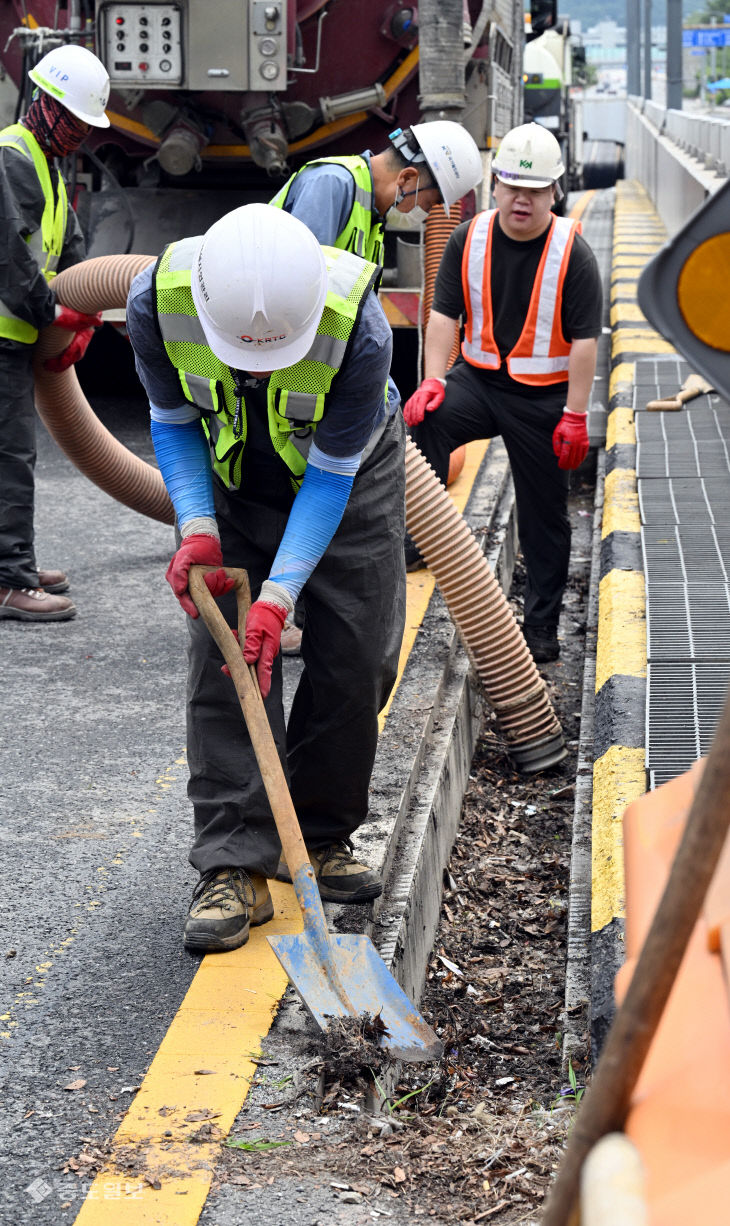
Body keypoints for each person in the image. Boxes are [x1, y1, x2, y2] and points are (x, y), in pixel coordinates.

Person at [126, 203, 406, 953]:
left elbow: (329, 475)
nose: (255, 368)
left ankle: (315, 834)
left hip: (348, 475)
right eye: (242, 354)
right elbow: (174, 422)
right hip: (231, 473)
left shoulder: (360, 327)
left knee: (358, 652)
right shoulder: (160, 302)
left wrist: (279, 596)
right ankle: (233, 863)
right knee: (226, 665)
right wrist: (198, 529)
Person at [269, 120, 483, 652]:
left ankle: (298, 610)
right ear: (409, 177)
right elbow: (295, 293)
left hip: (315, 380)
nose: (423, 212)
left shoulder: (366, 209)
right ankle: (276, 609)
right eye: (428, 199)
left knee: (328, 492)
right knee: (285, 493)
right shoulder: (331, 186)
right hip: (275, 374)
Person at [404, 122, 602, 663]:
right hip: (480, 380)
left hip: (543, 399)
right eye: (513, 185)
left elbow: (586, 342)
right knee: (423, 426)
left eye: (536, 190)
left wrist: (576, 415)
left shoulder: (572, 252)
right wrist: (433, 381)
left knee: (546, 516)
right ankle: (419, 536)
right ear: (495, 184)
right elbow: (443, 315)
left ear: (553, 193)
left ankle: (541, 628)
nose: (523, 199)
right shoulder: (471, 237)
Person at [0, 44, 109, 622]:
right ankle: (8, 579)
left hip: (17, 332)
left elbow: (68, 250)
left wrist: (85, 315)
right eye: (74, 121)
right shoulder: (14, 156)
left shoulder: (47, 161)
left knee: (13, 452)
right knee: (9, 454)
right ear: (46, 105)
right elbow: (13, 258)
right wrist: (53, 313)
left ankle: (10, 561)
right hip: (4, 331)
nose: (78, 135)